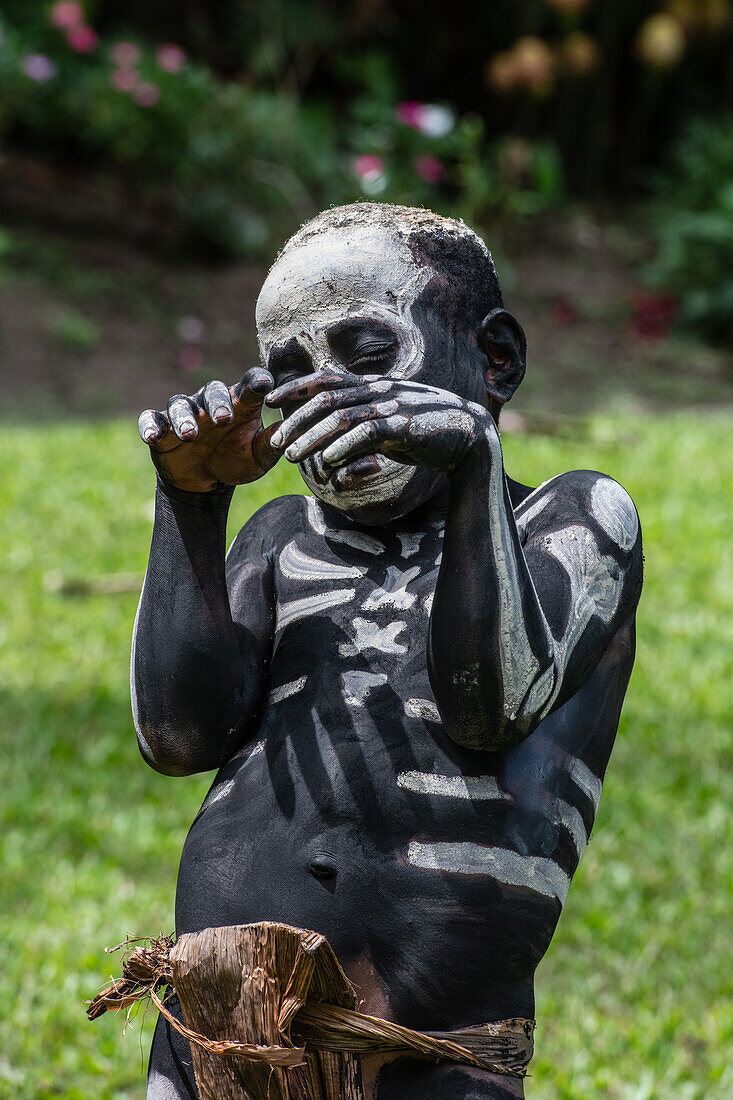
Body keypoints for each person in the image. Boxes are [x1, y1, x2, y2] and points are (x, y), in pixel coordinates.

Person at [133, 203, 643, 1100]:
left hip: (432, 1054)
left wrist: (472, 463)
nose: (333, 398)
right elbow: (177, 737)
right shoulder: (283, 537)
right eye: (293, 376)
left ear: (496, 361)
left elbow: (493, 704)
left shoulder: (571, 520)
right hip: (218, 1036)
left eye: (370, 359)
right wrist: (192, 501)